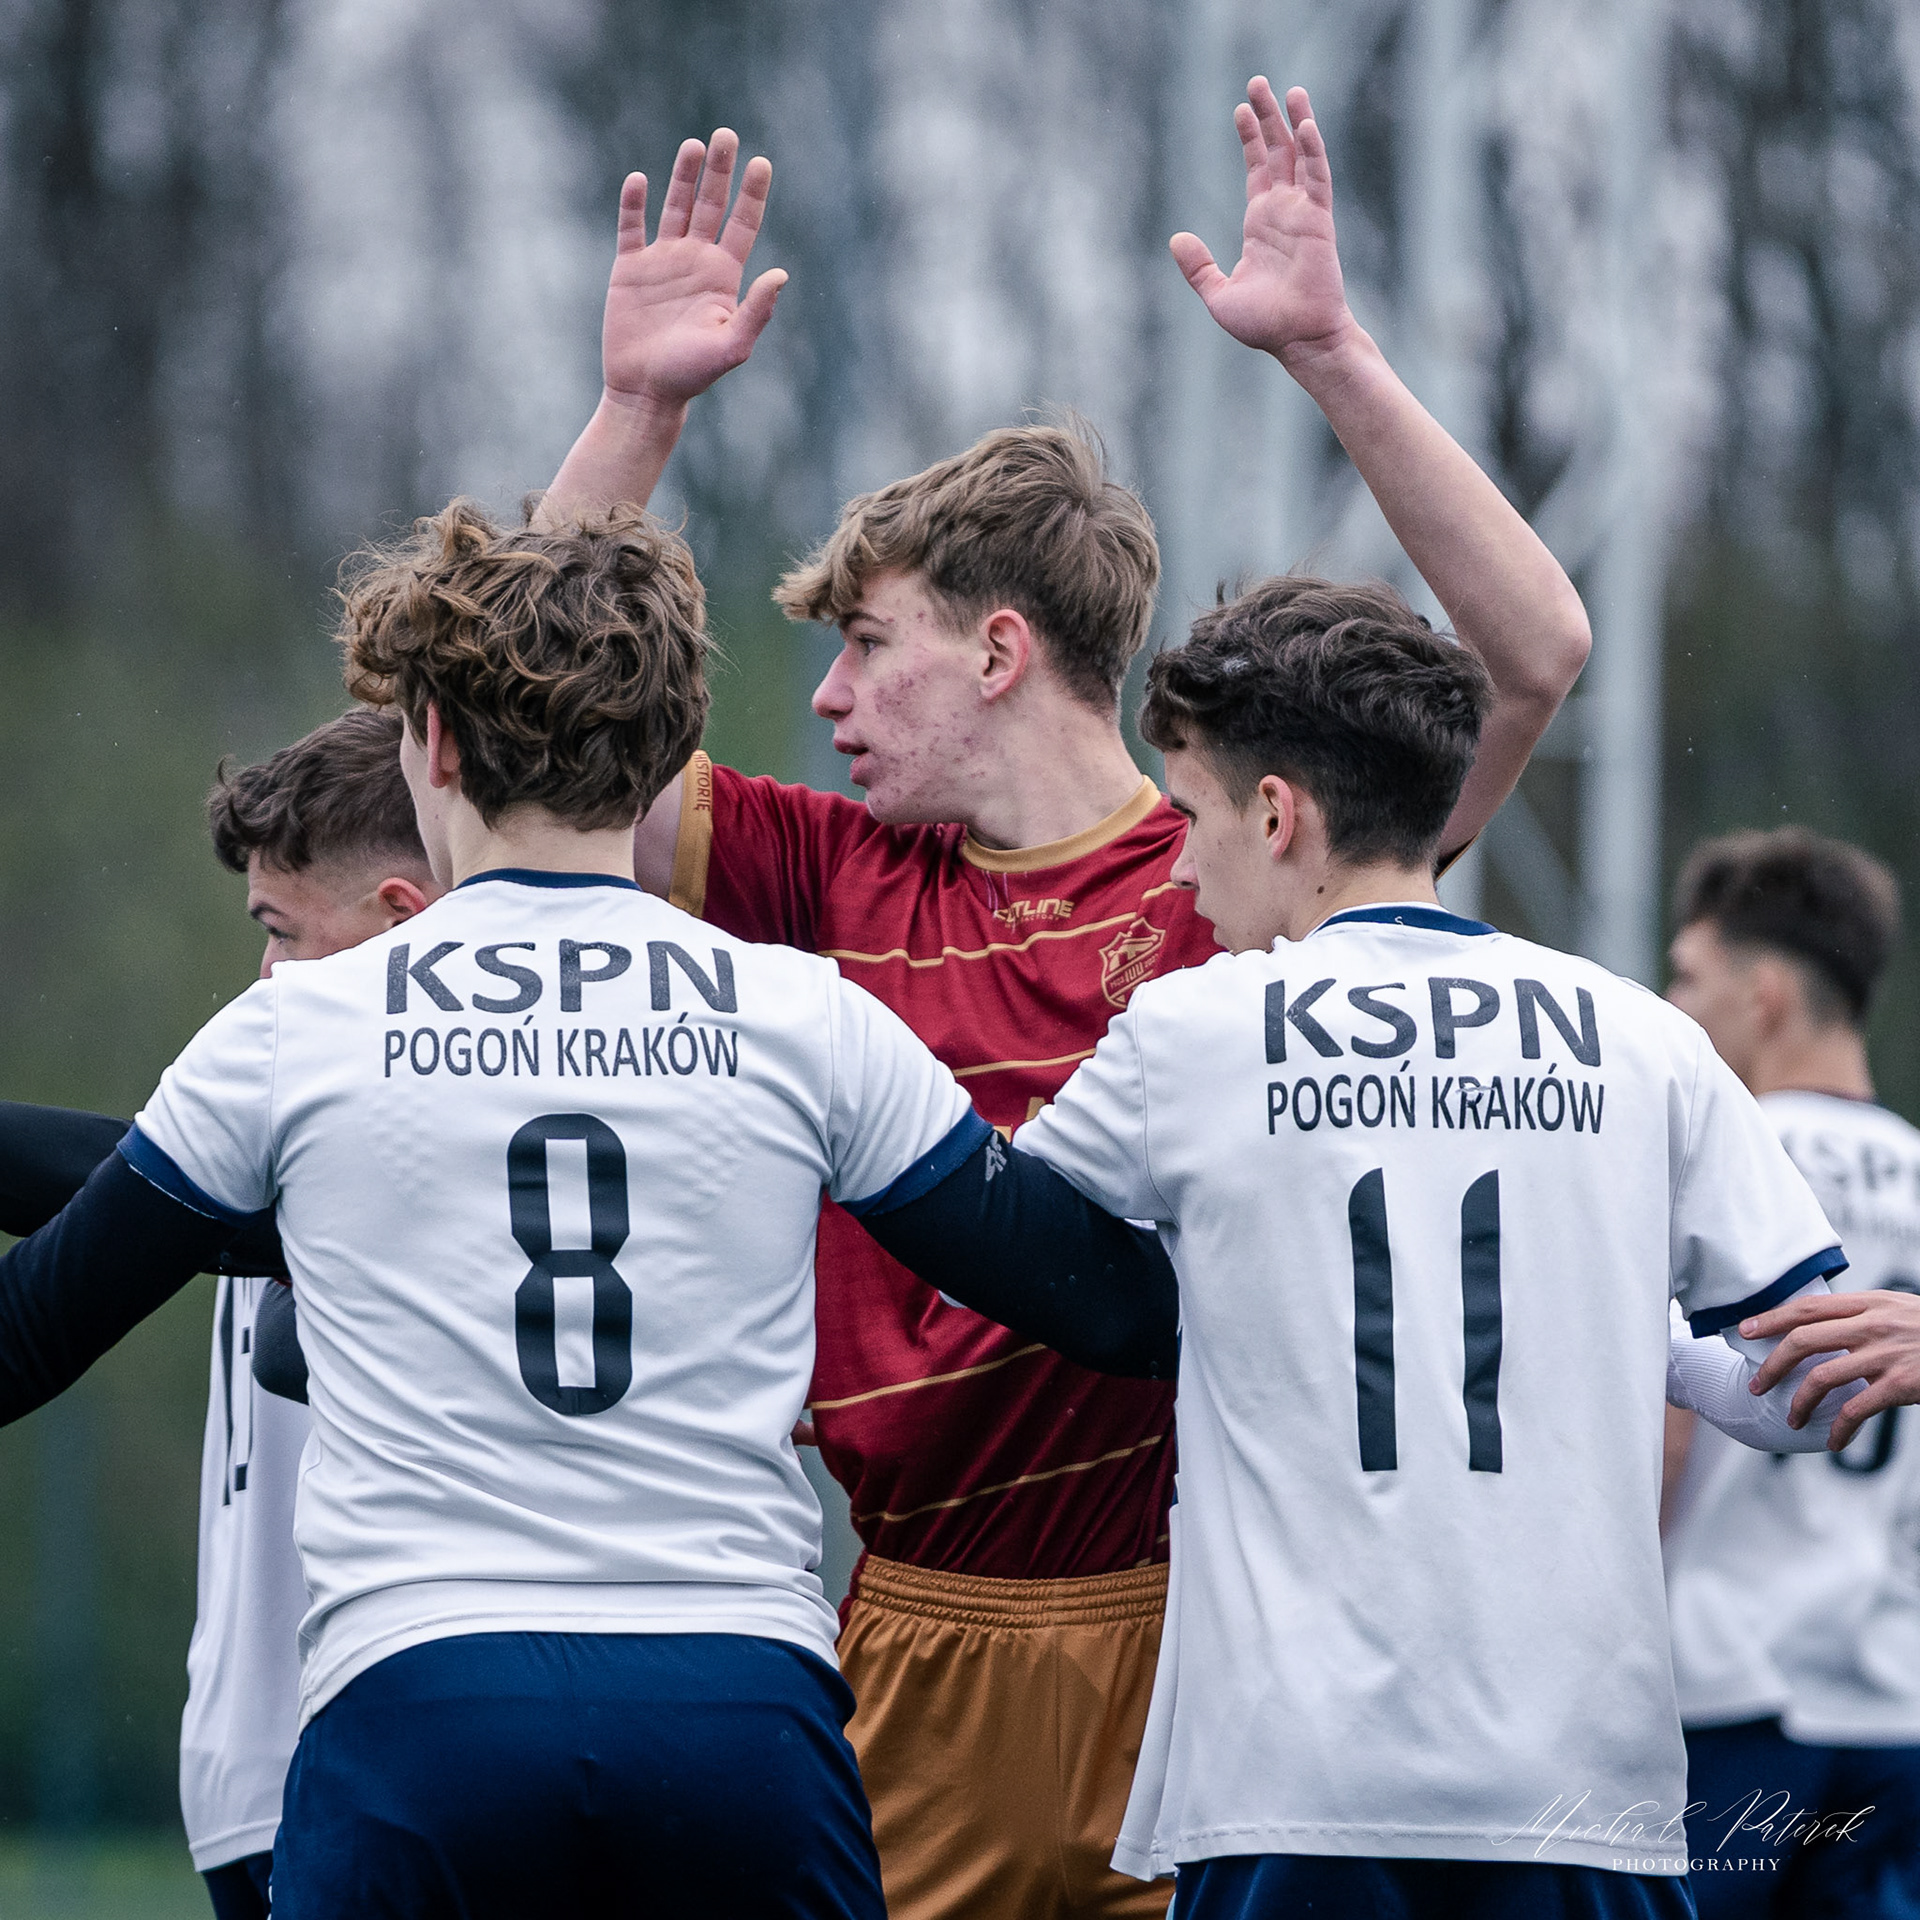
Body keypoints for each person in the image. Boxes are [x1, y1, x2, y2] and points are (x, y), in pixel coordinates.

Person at [538, 82, 1593, 1919]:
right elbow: (540, 752)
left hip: (1201, 1628)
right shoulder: (825, 871)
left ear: (1001, 651)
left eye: (866, 645)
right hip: (906, 1626)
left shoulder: (1251, 873)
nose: (829, 699)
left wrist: (1332, 352)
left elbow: (1534, 658)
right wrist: (636, 417)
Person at [0, 493, 1013, 1919]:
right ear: (670, 750)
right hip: (736, 1717)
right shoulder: (805, 1012)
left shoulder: (301, 1026)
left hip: (426, 1707)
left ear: (433, 743)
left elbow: (28, 1334)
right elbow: (1080, 1289)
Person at [847, 577, 1871, 1919]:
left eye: (1192, 816)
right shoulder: (1643, 1037)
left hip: (1295, 1786)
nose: (1181, 867)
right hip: (1582, 1792)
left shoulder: (1195, 1032)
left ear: (1278, 815)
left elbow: (1021, 1253)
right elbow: (1801, 1404)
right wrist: (1658, 1342)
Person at [0, 707, 442, 1919]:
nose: (260, 979)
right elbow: (122, 1181)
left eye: (280, 934)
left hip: (357, 1759)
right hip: (256, 1768)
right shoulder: (286, 1122)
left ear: (403, 920)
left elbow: (106, 1210)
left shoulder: (412, 1148)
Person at [1663, 826, 1920, 1918]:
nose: (1670, 1005)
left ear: (1763, 994)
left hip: (1733, 1687)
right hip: (1895, 1699)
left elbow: (1665, 1437)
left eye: (1688, 976)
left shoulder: (1717, 1170)